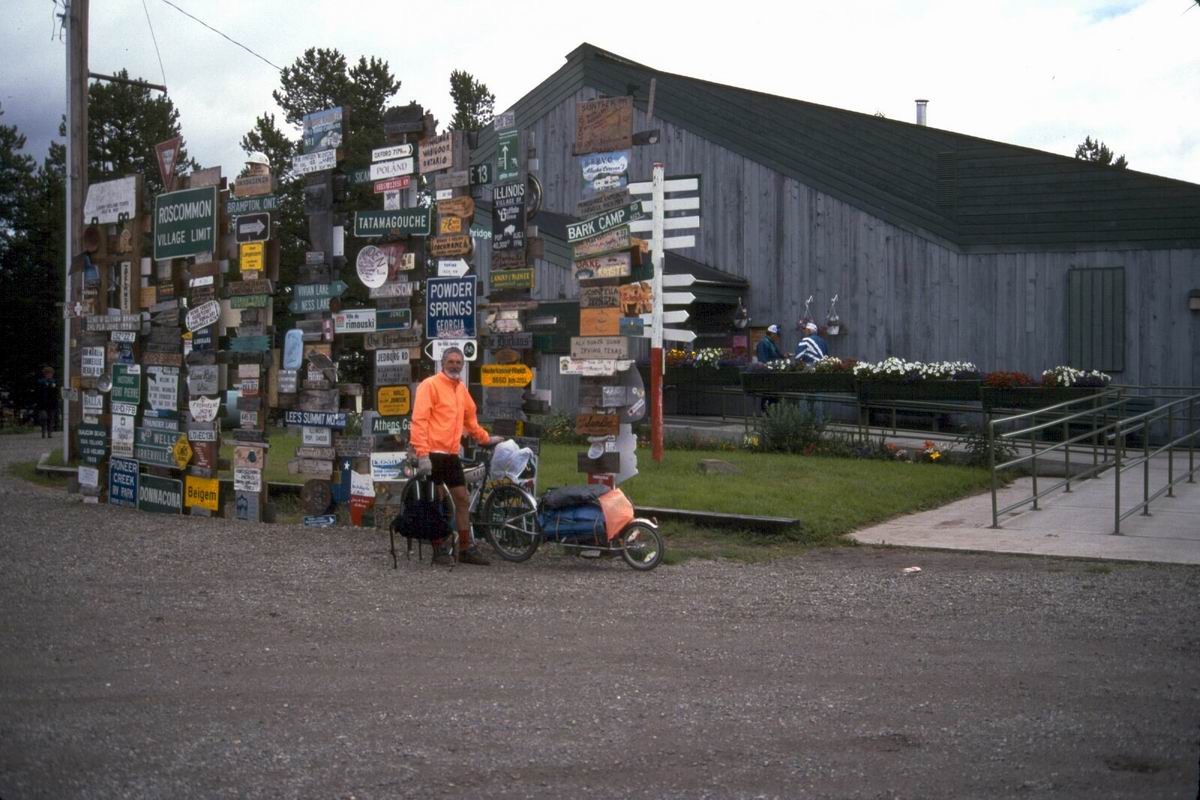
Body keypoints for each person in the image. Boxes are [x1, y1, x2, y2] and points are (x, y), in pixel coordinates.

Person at [410, 347, 503, 566]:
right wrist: (422, 453)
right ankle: (439, 548)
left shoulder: (460, 389)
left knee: (462, 498)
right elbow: (419, 420)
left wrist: (484, 439)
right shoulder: (430, 385)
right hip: (432, 453)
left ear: (462, 365)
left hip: (451, 454)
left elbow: (470, 420)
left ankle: (465, 548)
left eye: (458, 362)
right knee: (437, 501)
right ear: (443, 363)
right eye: (450, 361)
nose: (454, 365)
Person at [36, 366, 58, 439]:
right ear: (44, 374)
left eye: (50, 373)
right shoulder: (40, 382)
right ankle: (43, 432)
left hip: (52, 403)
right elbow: (38, 393)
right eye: (47, 373)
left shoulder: (54, 382)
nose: (49, 375)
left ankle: (49, 433)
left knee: (51, 418)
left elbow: (56, 393)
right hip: (43, 403)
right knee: (44, 417)